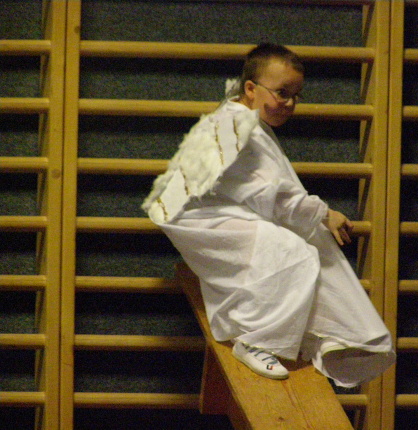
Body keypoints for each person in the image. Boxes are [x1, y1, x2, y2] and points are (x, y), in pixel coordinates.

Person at [142, 43, 395, 387]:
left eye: (296, 95)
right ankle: (255, 340)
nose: (289, 103)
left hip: (214, 212)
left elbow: (271, 191)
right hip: (200, 219)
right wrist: (324, 214)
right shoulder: (237, 126)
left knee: (301, 251)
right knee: (294, 253)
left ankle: (320, 333)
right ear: (251, 88)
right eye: (282, 93)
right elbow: (276, 194)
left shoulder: (241, 117)